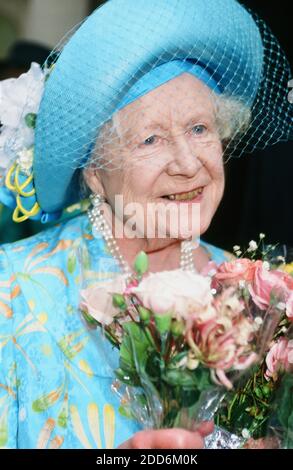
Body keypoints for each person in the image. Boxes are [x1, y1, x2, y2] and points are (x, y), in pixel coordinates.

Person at [0, 0, 292, 449]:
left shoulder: (266, 298)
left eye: (199, 128)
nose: (188, 163)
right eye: (151, 139)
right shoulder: (13, 293)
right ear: (96, 173)